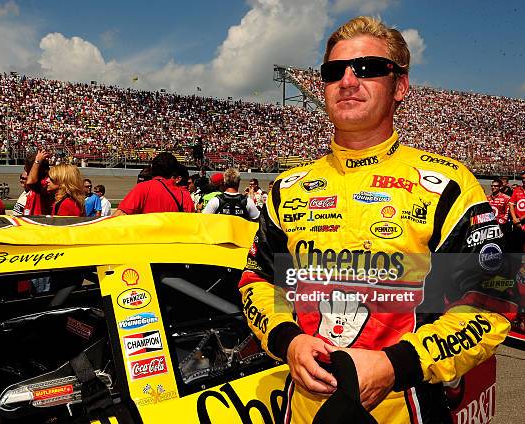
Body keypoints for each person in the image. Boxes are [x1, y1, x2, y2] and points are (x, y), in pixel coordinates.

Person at [238, 16, 516, 423]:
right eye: (334, 72)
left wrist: (396, 364)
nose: (348, 80)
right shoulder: (288, 187)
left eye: (368, 68)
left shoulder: (449, 186)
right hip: (302, 408)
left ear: (400, 86)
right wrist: (288, 340)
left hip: (407, 406)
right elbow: (257, 281)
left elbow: (491, 304)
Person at [114, 152, 195, 215]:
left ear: (152, 168)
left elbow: (119, 216)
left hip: (146, 235)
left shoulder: (142, 188)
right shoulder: (184, 195)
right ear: (174, 172)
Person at [24, 150, 52, 215]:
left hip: (39, 222)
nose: (26, 170)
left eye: (28, 168)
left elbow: (31, 182)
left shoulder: (46, 184)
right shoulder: (38, 184)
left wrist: (37, 161)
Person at [508, 170, 525, 252]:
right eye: (523, 178)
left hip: (520, 221)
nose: (524, 180)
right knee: (517, 247)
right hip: (517, 224)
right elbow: (511, 204)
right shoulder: (517, 190)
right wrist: (515, 219)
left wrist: (520, 219)